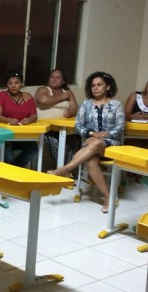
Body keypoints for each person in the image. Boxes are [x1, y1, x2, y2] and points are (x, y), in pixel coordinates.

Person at [47, 72, 125, 213]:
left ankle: (64, 169)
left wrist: (101, 137)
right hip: (90, 143)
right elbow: (78, 126)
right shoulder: (85, 105)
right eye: (93, 85)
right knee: (90, 162)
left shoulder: (116, 105)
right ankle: (108, 197)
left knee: (96, 143)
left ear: (107, 87)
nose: (95, 88)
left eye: (99, 85)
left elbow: (120, 127)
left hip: (111, 144)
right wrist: (92, 134)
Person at [0, 71, 38, 168]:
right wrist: (9, 120)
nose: (13, 86)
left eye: (16, 83)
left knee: (33, 150)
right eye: (10, 83)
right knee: (8, 157)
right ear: (7, 85)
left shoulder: (28, 96)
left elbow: (34, 116)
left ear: (21, 84)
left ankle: (15, 170)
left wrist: (29, 120)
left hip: (24, 135)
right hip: (7, 135)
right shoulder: (1, 95)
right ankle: (14, 172)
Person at [35, 67, 79, 165]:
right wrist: (63, 96)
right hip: (46, 129)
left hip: (64, 128)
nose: (54, 79)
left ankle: (65, 168)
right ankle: (62, 169)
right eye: (52, 77)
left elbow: (75, 108)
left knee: (77, 140)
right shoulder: (43, 90)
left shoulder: (68, 92)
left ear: (63, 81)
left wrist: (71, 112)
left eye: (58, 77)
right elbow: (43, 100)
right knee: (54, 141)